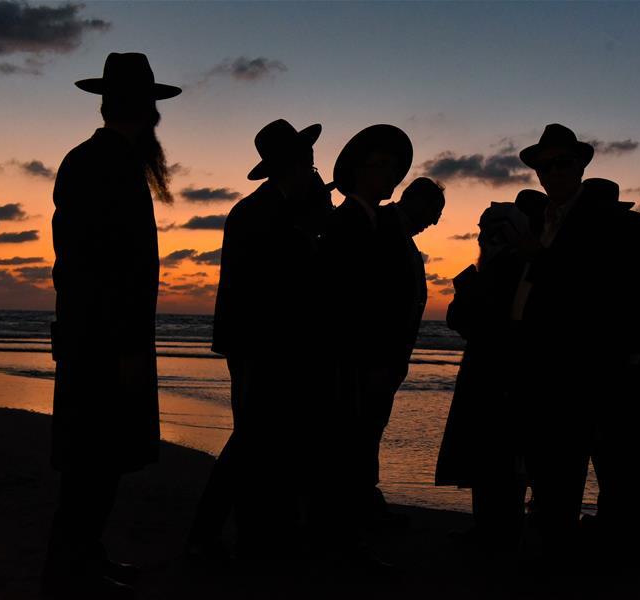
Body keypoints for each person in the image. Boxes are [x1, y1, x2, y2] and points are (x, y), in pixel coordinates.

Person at [512, 124, 640, 562]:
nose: (553, 171)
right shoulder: (543, 224)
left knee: (622, 463)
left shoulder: (619, 229)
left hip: (613, 369)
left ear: (581, 166)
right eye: (545, 166)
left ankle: (629, 545)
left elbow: (605, 295)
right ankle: (586, 542)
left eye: (563, 162)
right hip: (561, 369)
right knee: (574, 466)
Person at [45, 52, 181, 597]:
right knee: (93, 465)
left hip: (98, 338)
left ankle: (84, 558)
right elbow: (99, 267)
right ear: (147, 110)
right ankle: (71, 568)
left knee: (96, 463)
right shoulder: (106, 164)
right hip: (104, 344)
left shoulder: (100, 160)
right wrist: (124, 348)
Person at [196, 119, 328, 560]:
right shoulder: (262, 213)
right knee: (252, 440)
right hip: (261, 345)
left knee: (261, 440)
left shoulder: (268, 209)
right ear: (296, 165)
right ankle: (210, 533)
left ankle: (253, 532)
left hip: (260, 343)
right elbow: (279, 280)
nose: (314, 170)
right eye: (309, 162)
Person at [320, 124, 414, 525]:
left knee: (357, 444)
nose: (390, 174)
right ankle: (344, 530)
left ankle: (351, 526)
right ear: (359, 172)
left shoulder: (375, 222)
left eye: (393, 167)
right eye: (381, 165)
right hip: (351, 361)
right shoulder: (346, 223)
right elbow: (349, 302)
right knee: (349, 445)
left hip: (366, 359)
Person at [435, 198, 535, 557]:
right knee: (491, 456)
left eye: (495, 232)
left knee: (501, 458)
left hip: (503, 377)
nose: (487, 239)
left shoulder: (515, 269)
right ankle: (491, 529)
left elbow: (481, 321)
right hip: (488, 374)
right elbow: (463, 319)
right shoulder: (502, 267)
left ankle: (500, 532)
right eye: (485, 232)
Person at [376, 176, 445, 436]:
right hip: (372, 364)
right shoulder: (380, 226)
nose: (435, 221)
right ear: (415, 202)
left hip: (386, 366)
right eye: (434, 211)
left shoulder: (401, 236)